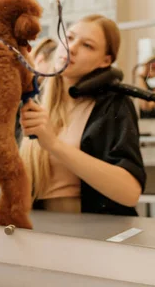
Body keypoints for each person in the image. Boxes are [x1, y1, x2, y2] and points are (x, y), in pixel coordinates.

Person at [19, 14, 146, 216]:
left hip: (96, 234)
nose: (72, 48)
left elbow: (130, 193)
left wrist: (54, 145)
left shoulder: (115, 105)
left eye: (87, 45)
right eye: (69, 38)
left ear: (105, 61)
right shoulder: (33, 101)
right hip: (41, 230)